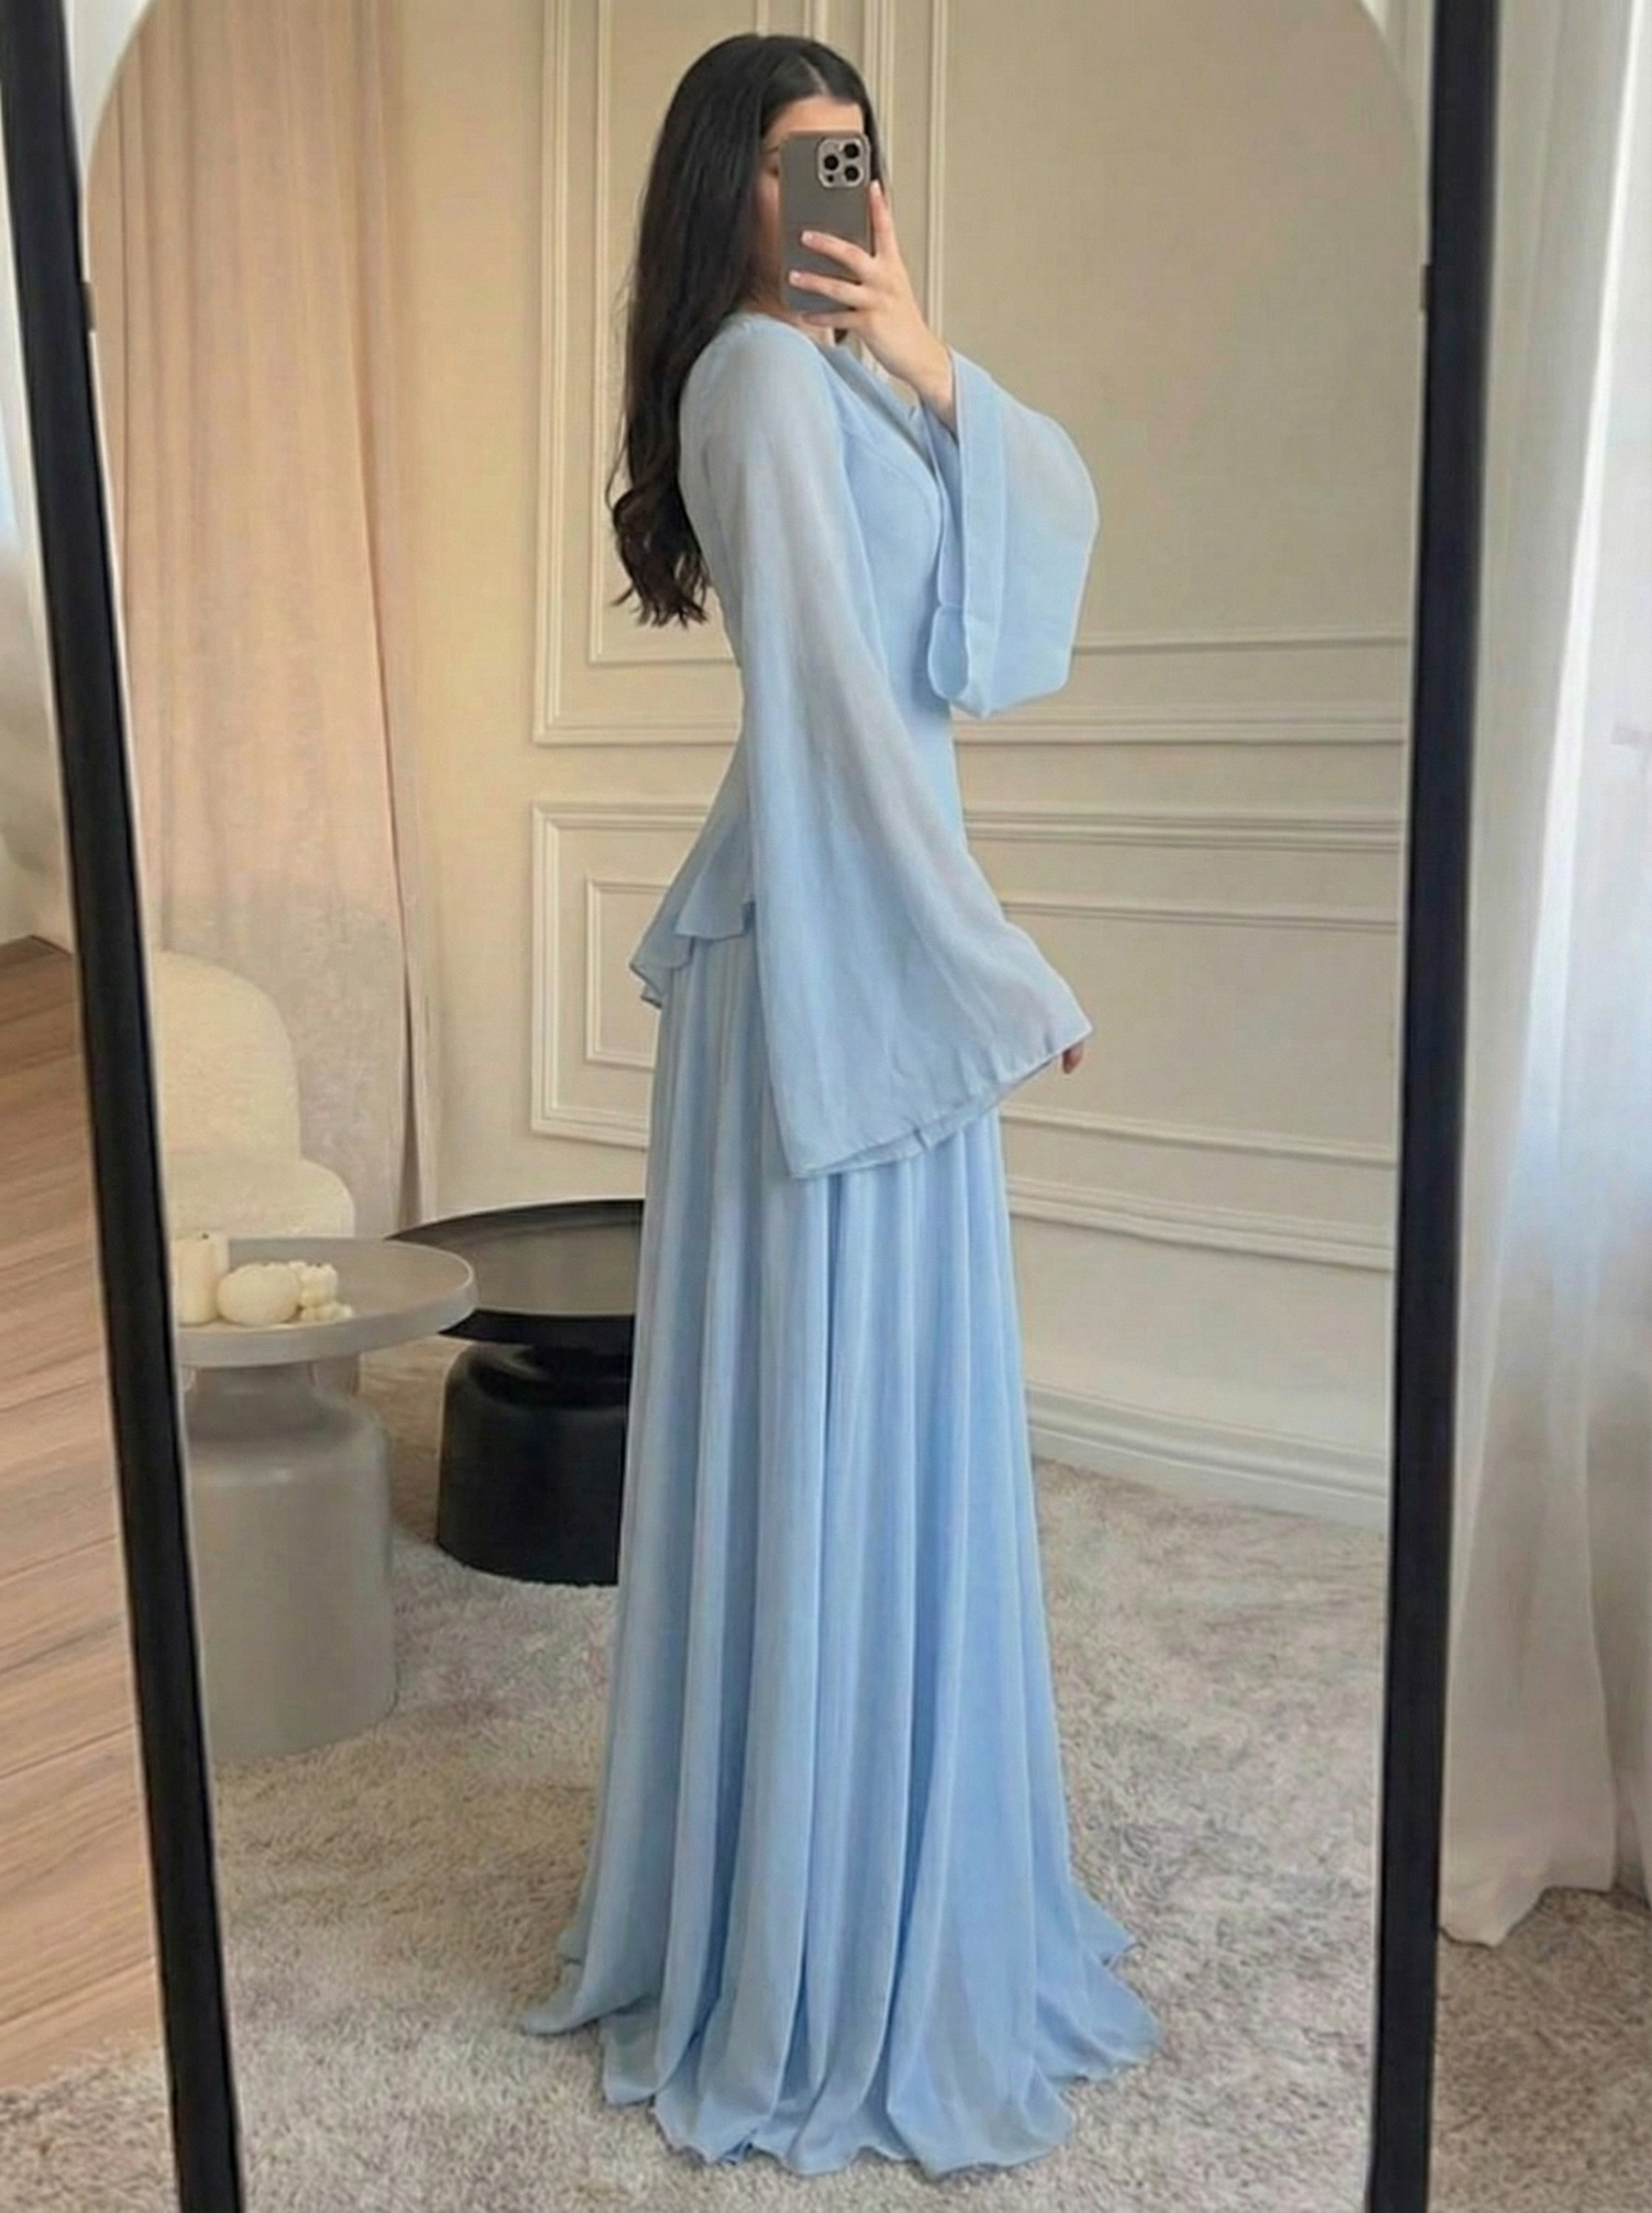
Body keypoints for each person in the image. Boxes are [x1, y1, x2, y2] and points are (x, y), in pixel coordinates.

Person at [521, 30, 1159, 2176]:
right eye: (801, 162)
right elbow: (828, 709)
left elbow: (1002, 613)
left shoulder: (845, 374)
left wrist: (928, 347)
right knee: (827, 1428)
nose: (840, 195)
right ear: (722, 182)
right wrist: (993, 963)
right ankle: (804, 1953)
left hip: (869, 938)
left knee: (879, 1425)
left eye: (855, 160)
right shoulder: (756, 386)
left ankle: (854, 1894)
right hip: (841, 950)